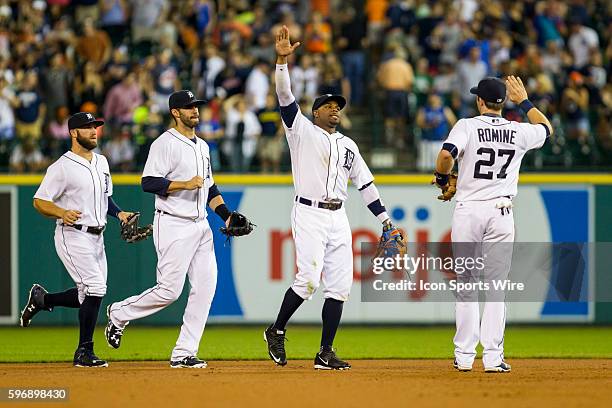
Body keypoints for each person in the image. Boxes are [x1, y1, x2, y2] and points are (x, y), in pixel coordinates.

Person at [264, 26, 402, 370]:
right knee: (308, 281)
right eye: (328, 105)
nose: (335, 109)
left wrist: (385, 220)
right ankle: (276, 329)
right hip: (309, 212)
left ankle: (325, 352)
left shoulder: (349, 145)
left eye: (338, 105)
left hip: (338, 216)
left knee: (339, 288)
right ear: (316, 112)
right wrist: (282, 61)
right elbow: (284, 96)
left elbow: (366, 185)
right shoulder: (301, 131)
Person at [105, 90, 252, 368]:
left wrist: (226, 216)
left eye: (196, 106)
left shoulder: (203, 146)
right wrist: (183, 184)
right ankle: (119, 313)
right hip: (172, 223)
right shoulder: (164, 143)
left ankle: (184, 352)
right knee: (170, 291)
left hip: (201, 226)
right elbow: (148, 182)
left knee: (206, 289)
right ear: (175, 112)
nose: (195, 111)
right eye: (188, 107)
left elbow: (210, 188)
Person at [433, 76, 554, 373]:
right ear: (503, 102)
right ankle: (492, 357)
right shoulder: (518, 131)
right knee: (496, 287)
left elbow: (446, 156)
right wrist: (524, 101)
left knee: (466, 285)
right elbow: (548, 129)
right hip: (501, 211)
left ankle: (463, 357)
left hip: (468, 211)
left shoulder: (467, 126)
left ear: (479, 101)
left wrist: (442, 179)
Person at [19, 112, 140, 367]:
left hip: (98, 237)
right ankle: (84, 351)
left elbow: (105, 198)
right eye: (87, 127)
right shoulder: (61, 167)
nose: (94, 131)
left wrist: (119, 214)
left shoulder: (102, 162)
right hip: (72, 234)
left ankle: (44, 300)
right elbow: (39, 200)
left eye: (95, 126)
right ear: (73, 133)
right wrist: (62, 212)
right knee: (96, 288)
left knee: (90, 293)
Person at [416, 93, 457, 172]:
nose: (433, 98)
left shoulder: (444, 110)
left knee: (439, 166)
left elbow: (453, 122)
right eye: (431, 96)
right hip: (426, 142)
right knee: (424, 167)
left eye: (435, 96)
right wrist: (428, 125)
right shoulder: (424, 109)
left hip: (440, 141)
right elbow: (419, 123)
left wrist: (450, 137)